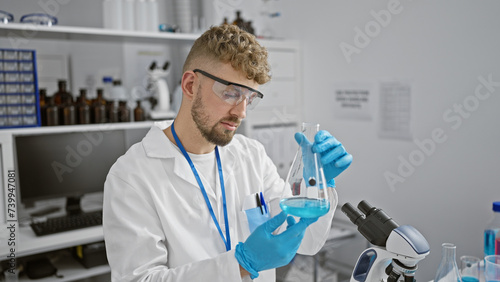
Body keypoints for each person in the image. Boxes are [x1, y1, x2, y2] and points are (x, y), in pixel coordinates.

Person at [103, 24, 352, 282]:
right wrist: (241, 265)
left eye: (250, 98)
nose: (241, 112)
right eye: (231, 93)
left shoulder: (251, 155)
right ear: (190, 85)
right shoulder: (131, 176)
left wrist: (316, 186)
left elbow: (305, 241)